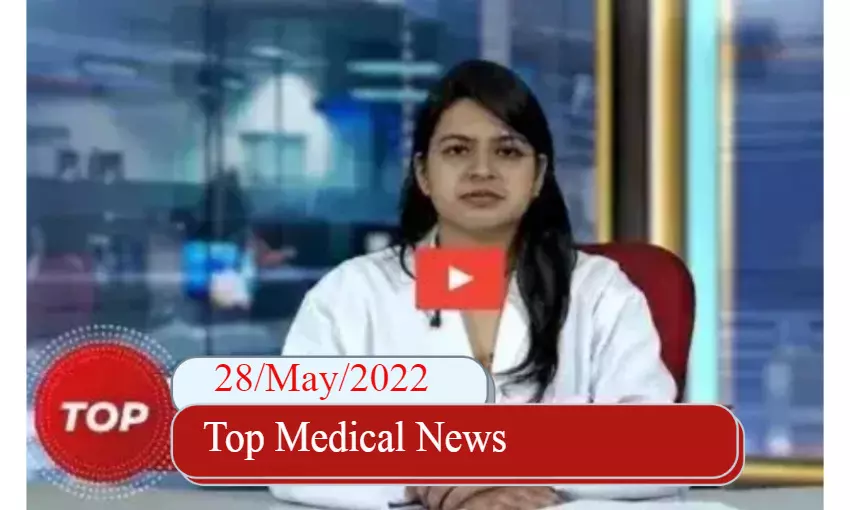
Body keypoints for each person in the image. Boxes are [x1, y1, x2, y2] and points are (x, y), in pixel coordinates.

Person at [270, 60, 681, 509]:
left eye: (507, 151)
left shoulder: (601, 293)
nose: (481, 170)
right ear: (424, 174)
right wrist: (429, 479)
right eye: (457, 150)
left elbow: (661, 448)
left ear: (538, 175)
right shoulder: (350, 295)